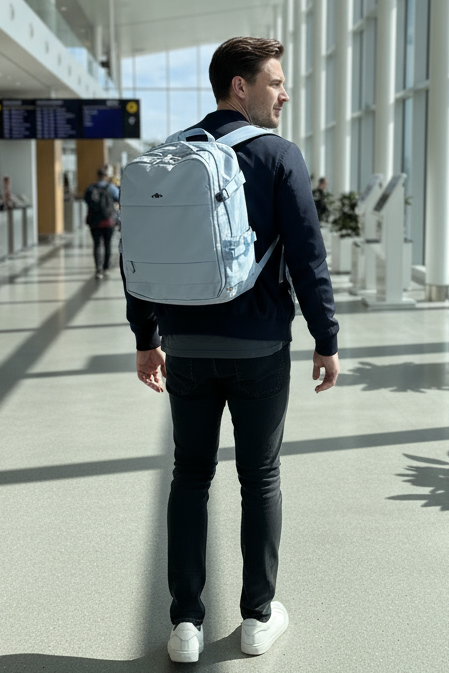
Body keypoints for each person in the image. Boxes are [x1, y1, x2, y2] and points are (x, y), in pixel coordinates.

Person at [121, 36, 340, 663]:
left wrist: (146, 338)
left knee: (190, 477)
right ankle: (256, 618)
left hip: (186, 349)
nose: (284, 93)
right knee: (260, 477)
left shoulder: (170, 155)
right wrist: (326, 338)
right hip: (259, 348)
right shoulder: (278, 156)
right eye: (275, 82)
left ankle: (185, 626)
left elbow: (138, 255)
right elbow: (308, 255)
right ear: (239, 87)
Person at [84, 167, 119, 279]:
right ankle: (106, 267)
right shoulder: (111, 187)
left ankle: (98, 269)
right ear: (106, 176)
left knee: (97, 244)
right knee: (107, 244)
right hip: (108, 221)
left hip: (94, 221)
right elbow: (118, 198)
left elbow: (86, 200)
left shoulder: (91, 188)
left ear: (97, 176)